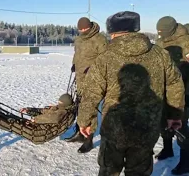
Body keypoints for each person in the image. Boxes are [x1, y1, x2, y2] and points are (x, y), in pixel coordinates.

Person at [77, 11, 185, 175]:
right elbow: (175, 84)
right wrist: (175, 115)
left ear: (112, 33)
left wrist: (85, 121)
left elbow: (91, 92)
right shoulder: (161, 54)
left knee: (109, 169)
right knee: (139, 171)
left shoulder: (104, 58)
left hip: (114, 128)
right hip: (147, 127)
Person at [65, 17, 108, 154]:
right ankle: (80, 132)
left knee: (90, 105)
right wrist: (74, 64)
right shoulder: (79, 39)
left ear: (90, 26)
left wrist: (94, 68)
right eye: (80, 29)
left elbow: (106, 58)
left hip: (94, 78)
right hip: (80, 76)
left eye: (85, 28)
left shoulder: (100, 39)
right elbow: (77, 54)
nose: (83, 31)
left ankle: (88, 139)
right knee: (80, 104)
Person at [155, 16, 189, 175]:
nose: (161, 35)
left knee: (181, 125)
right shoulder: (161, 42)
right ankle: (168, 149)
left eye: (163, 32)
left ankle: (186, 161)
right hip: (164, 90)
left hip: (183, 92)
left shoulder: (186, 42)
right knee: (164, 121)